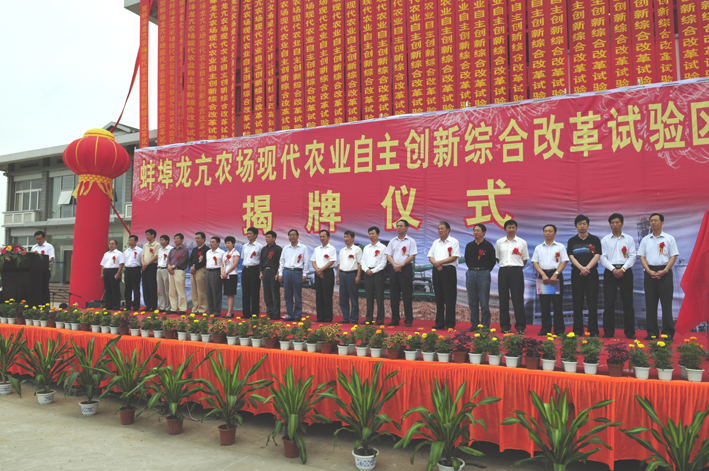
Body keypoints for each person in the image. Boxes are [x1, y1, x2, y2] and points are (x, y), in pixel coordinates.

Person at [638, 213, 679, 340]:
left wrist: (665, 270)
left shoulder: (669, 238)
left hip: (665, 272)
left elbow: (673, 256)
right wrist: (648, 271)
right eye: (651, 221)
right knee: (650, 303)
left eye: (656, 220)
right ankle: (652, 332)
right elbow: (642, 257)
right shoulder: (645, 240)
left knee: (666, 304)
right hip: (649, 272)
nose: (653, 223)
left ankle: (668, 332)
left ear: (662, 222)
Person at [600, 213, 637, 339]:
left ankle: (630, 332)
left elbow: (632, 256)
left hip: (626, 271)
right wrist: (613, 269)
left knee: (628, 303)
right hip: (610, 272)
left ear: (622, 223)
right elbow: (603, 257)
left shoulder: (629, 239)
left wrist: (623, 269)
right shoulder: (605, 240)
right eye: (612, 223)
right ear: (610, 224)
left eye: (617, 222)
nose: (615, 225)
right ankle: (608, 332)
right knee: (609, 303)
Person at [567, 215, 602, 337]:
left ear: (588, 225)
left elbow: (597, 255)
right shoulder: (572, 241)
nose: (582, 226)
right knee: (577, 302)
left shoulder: (595, 239)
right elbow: (571, 256)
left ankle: (593, 330)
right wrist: (581, 268)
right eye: (579, 224)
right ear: (576, 226)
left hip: (592, 273)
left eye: (584, 224)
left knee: (592, 302)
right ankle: (577, 330)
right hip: (577, 274)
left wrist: (587, 268)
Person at [531, 224, 570, 336]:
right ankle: (545, 329)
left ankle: (559, 330)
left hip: (556, 275)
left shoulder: (560, 247)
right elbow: (535, 262)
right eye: (545, 231)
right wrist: (543, 274)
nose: (547, 233)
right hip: (543, 275)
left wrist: (556, 274)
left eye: (550, 231)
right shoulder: (539, 247)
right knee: (544, 304)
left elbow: (564, 261)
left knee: (557, 304)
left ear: (555, 233)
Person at [496, 220, 529, 334]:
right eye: (509, 227)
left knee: (518, 299)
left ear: (516, 229)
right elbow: (498, 258)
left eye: (513, 227)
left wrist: (517, 267)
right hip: (503, 271)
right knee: (503, 299)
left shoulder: (522, 242)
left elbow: (524, 259)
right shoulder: (499, 242)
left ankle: (520, 327)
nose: (511, 229)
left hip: (517, 271)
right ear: (505, 229)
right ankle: (505, 326)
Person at [384, 219, 417, 327]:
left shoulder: (411, 241)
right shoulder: (392, 241)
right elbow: (388, 255)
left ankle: (408, 320)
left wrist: (401, 265)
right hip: (394, 269)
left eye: (401, 226)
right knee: (394, 296)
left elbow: (411, 256)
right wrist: (394, 265)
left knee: (407, 295)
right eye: (397, 226)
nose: (398, 227)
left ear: (406, 228)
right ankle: (395, 319)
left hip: (405, 269)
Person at [427, 221, 460, 330]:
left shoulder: (454, 241)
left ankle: (450, 323)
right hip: (437, 270)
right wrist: (436, 264)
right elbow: (430, 256)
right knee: (439, 297)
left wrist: (439, 263)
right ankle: (439, 323)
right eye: (439, 229)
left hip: (448, 270)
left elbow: (454, 256)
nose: (440, 230)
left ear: (448, 230)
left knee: (450, 297)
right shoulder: (436, 242)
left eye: (442, 228)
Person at [464, 223, 496, 331]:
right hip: (471, 272)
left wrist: (485, 270)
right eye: (474, 230)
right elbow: (467, 260)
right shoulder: (469, 245)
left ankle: (485, 325)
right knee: (472, 301)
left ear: (484, 232)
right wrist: (473, 269)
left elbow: (492, 261)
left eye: (478, 230)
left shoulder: (488, 246)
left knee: (484, 300)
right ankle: (474, 325)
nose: (476, 232)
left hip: (483, 273)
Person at [278, 229, 310, 321]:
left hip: (297, 272)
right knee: (287, 295)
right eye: (290, 235)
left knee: (297, 295)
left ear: (298, 236)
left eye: (294, 235)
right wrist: (280, 274)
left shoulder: (303, 248)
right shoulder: (286, 248)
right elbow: (282, 261)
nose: (292, 237)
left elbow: (306, 262)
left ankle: (297, 315)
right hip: (287, 272)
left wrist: (305, 275)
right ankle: (290, 314)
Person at [361, 226, 387, 325]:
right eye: (370, 234)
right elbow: (362, 261)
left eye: (373, 233)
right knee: (369, 297)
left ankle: (380, 320)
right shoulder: (366, 248)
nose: (371, 235)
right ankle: (369, 319)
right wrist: (366, 270)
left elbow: (383, 263)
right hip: (367, 273)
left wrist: (373, 270)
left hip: (378, 274)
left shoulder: (382, 247)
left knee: (379, 298)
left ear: (378, 235)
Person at [337, 231, 362, 324]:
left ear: (353, 238)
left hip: (352, 274)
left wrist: (358, 276)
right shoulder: (342, 250)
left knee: (353, 298)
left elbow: (360, 263)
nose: (345, 239)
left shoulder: (357, 250)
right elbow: (339, 264)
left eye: (347, 237)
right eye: (344, 237)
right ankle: (345, 318)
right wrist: (338, 276)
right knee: (343, 298)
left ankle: (354, 318)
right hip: (342, 274)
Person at [312, 229, 337, 323]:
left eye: (323, 236)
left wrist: (321, 270)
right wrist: (317, 270)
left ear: (328, 237)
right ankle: (320, 317)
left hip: (327, 273)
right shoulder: (317, 249)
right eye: (320, 236)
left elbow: (332, 261)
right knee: (319, 296)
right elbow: (313, 261)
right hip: (318, 273)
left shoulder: (331, 248)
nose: (322, 238)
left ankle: (327, 317)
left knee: (327, 295)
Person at [241, 227, 263, 318]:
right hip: (245, 269)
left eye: (250, 233)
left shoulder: (259, 246)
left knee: (254, 292)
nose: (248, 235)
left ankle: (254, 314)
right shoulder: (244, 246)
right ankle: (246, 313)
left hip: (255, 270)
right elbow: (244, 258)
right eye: (248, 233)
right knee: (245, 292)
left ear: (255, 235)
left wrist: (260, 272)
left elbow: (261, 260)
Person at [260, 231, 282, 320]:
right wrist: (261, 272)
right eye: (266, 237)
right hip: (265, 271)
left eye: (269, 237)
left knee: (275, 293)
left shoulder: (278, 249)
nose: (267, 239)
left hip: (274, 271)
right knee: (267, 294)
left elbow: (280, 262)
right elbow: (261, 262)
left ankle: (276, 314)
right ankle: (269, 313)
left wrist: (278, 273)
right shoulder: (264, 249)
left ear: (274, 238)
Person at [167, 233, 190, 315]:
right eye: (175, 238)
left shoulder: (185, 250)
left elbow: (182, 260)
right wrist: (169, 267)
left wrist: (172, 267)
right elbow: (168, 260)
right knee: (172, 291)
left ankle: (182, 309)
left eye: (177, 238)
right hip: (171, 271)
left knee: (180, 290)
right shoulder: (172, 250)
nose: (176, 240)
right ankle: (173, 308)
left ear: (182, 240)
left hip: (179, 271)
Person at [31, 230, 55, 305]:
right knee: (35, 289)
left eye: (40, 239)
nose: (38, 241)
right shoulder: (34, 247)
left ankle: (45, 306)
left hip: (44, 271)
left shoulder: (49, 246)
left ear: (44, 238)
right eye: (36, 239)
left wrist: (41, 261)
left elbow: (51, 258)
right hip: (35, 271)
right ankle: (36, 305)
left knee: (44, 289)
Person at [100, 239, 124, 310]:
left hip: (114, 271)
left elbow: (121, 264)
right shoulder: (106, 254)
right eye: (110, 244)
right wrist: (102, 273)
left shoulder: (119, 253)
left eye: (113, 244)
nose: (111, 245)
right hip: (106, 271)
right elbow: (103, 264)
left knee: (115, 289)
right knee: (107, 289)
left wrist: (118, 273)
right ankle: (108, 305)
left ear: (116, 245)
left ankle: (115, 305)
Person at [189, 232, 209, 314]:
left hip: (200, 270)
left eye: (198, 238)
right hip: (192, 270)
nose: (196, 240)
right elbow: (190, 259)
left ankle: (202, 308)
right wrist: (191, 267)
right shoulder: (195, 249)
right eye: (196, 238)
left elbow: (204, 261)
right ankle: (195, 307)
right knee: (194, 290)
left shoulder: (206, 249)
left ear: (203, 239)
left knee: (201, 290)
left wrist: (195, 267)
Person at [222, 236, 240, 319]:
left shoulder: (236, 253)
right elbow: (222, 265)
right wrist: (222, 273)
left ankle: (229, 312)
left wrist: (227, 272)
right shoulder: (225, 253)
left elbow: (234, 264)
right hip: (225, 275)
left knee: (231, 294)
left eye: (229, 243)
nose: (227, 245)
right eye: (226, 243)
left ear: (233, 244)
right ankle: (231, 311)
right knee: (227, 294)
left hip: (232, 275)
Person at [206, 236, 225, 316]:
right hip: (208, 272)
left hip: (216, 272)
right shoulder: (208, 252)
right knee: (209, 292)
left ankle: (217, 311)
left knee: (216, 292)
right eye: (211, 242)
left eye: (213, 242)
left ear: (218, 243)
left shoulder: (221, 252)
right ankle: (210, 310)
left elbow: (223, 264)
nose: (211, 243)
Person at [122, 235, 143, 311]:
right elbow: (124, 261)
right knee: (127, 289)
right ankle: (128, 305)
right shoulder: (126, 251)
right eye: (129, 240)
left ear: (136, 241)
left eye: (132, 240)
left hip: (136, 270)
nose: (130, 241)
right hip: (127, 270)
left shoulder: (140, 250)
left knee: (136, 288)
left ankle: (136, 306)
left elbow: (142, 261)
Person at [142, 229, 159, 311]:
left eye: (148, 234)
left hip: (152, 266)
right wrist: (143, 263)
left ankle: (153, 305)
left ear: (153, 235)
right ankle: (147, 305)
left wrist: (147, 264)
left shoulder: (157, 245)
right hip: (144, 266)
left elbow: (155, 256)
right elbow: (142, 255)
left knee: (152, 286)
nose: (146, 236)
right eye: (146, 234)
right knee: (145, 286)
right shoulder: (145, 245)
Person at [156, 235, 173, 313]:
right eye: (160, 240)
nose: (161, 241)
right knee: (160, 289)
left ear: (167, 241)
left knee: (167, 289)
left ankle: (168, 307)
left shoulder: (171, 249)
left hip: (166, 269)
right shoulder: (159, 250)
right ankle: (162, 306)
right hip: (159, 269)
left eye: (162, 240)